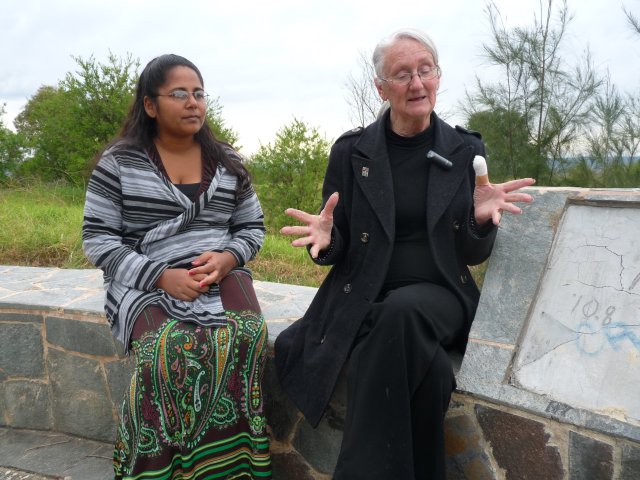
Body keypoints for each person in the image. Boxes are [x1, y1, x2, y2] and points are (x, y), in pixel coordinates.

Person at [274, 28, 535, 479]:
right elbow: (335, 244)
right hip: (367, 297)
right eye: (402, 74)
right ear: (381, 87)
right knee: (430, 374)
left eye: (425, 70)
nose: (417, 83)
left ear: (437, 77)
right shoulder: (352, 151)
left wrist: (478, 222)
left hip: (441, 296)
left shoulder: (464, 149)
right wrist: (327, 240)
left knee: (401, 311)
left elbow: (472, 255)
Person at [82, 54, 271, 479]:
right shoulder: (119, 163)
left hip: (219, 273)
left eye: (199, 94)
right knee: (167, 350)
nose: (193, 103)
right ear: (150, 105)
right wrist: (160, 277)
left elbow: (252, 228)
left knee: (245, 334)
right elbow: (97, 239)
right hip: (145, 275)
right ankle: (158, 468)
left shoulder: (227, 161)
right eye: (179, 94)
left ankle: (233, 467)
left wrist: (227, 259)